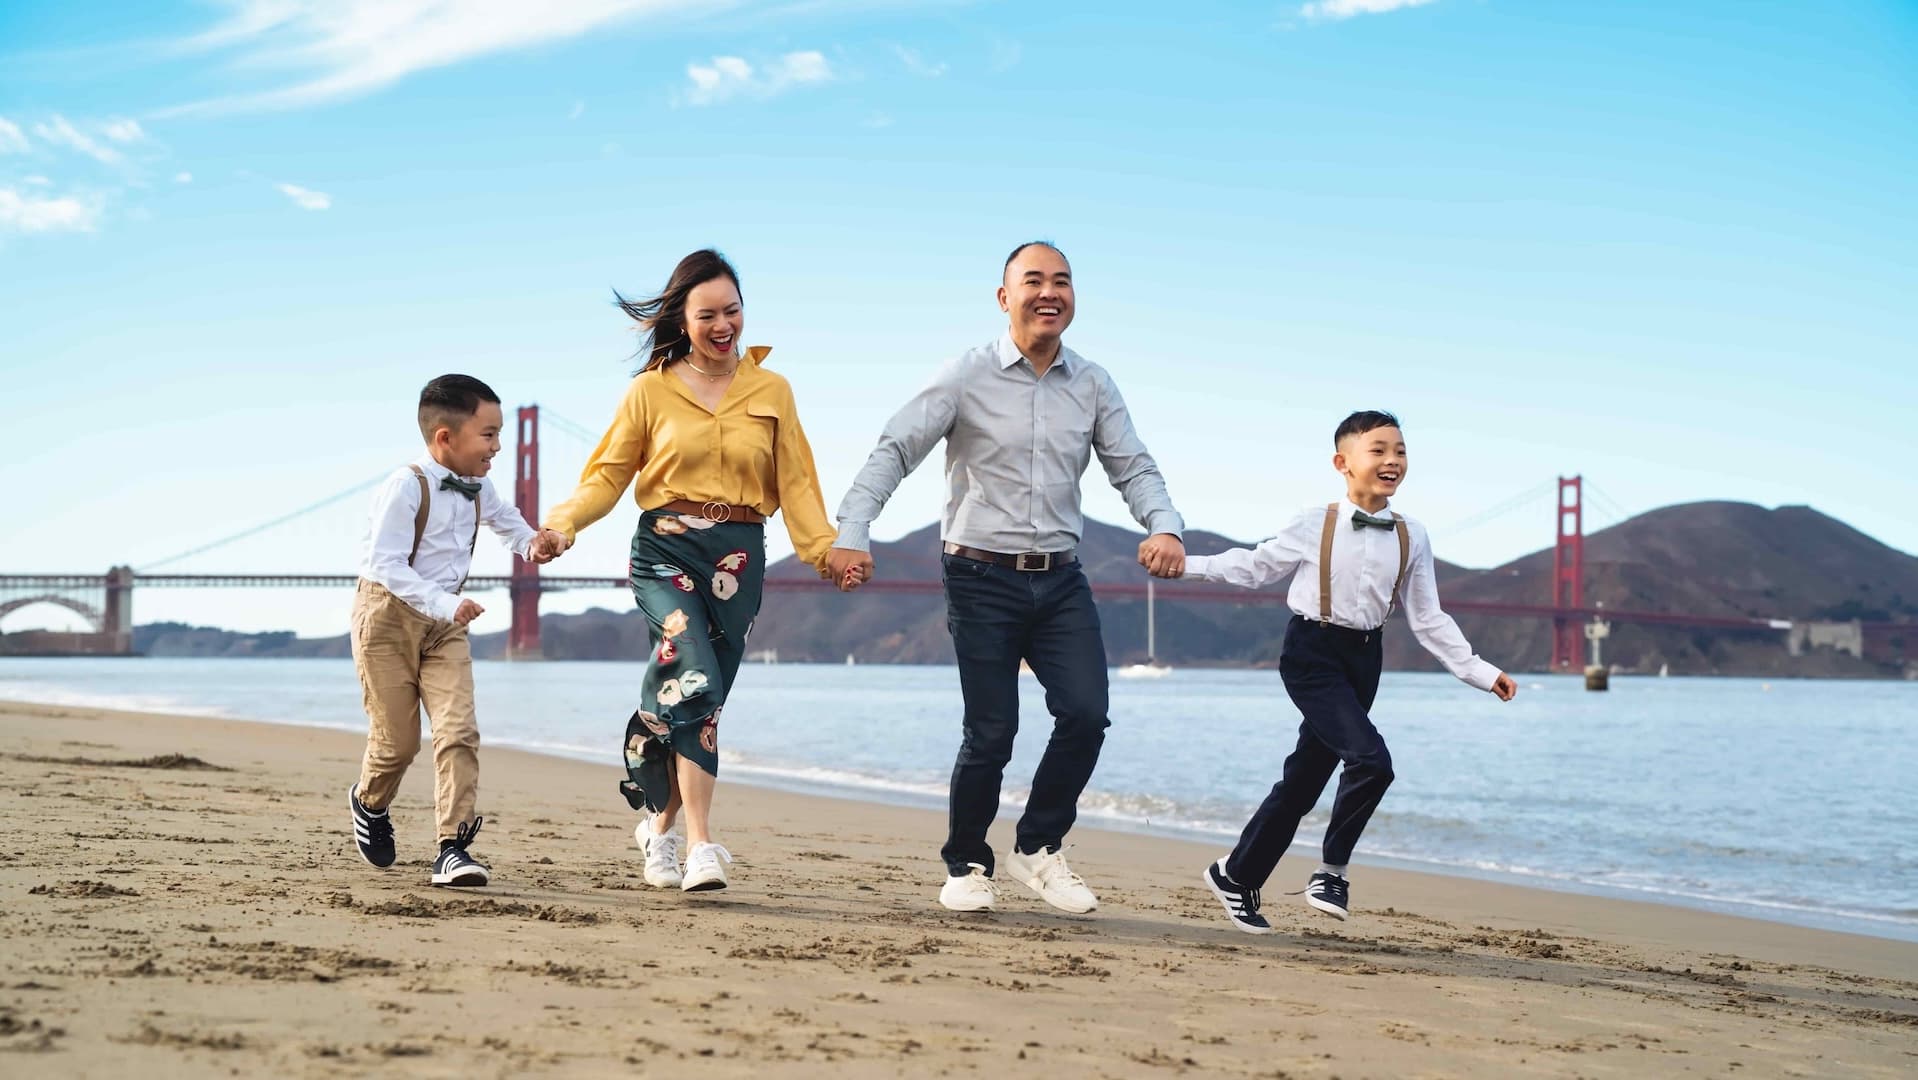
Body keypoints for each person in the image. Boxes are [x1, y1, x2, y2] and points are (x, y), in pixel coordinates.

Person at [826, 241, 1188, 914]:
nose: (1050, 292)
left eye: (1063, 281)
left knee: (1087, 713)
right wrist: (853, 530)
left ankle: (1038, 847)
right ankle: (967, 863)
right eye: (1034, 280)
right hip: (979, 575)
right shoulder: (964, 375)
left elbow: (1133, 466)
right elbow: (896, 448)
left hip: (1061, 578)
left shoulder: (1093, 383)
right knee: (992, 731)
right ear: (1004, 297)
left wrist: (1163, 524)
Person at [541, 249, 838, 894]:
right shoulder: (650, 390)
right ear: (682, 320)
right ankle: (701, 846)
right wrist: (564, 525)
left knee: (699, 701)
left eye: (733, 310)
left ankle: (659, 829)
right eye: (708, 315)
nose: (723, 325)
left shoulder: (773, 390)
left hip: (738, 556)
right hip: (666, 550)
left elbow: (798, 481)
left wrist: (824, 551)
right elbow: (608, 474)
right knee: (695, 674)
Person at [1184, 409, 1518, 933]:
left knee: (1303, 781)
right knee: (1372, 762)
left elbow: (1427, 617)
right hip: (1311, 653)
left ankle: (1236, 875)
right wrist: (1186, 564)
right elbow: (1255, 567)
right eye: (1378, 450)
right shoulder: (1314, 522)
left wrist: (1478, 670)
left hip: (1365, 658)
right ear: (1342, 463)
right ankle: (1332, 871)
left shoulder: (1412, 535)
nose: (1392, 460)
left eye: (1400, 451)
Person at [346, 374, 564, 887]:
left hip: (445, 628)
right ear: (445, 437)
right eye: (489, 434)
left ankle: (453, 847)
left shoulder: (480, 485)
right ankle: (369, 802)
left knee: (459, 731)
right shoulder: (405, 486)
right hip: (387, 620)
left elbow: (505, 519)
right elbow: (385, 564)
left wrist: (533, 543)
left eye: (500, 433)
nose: (498, 446)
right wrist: (447, 602)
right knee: (398, 744)